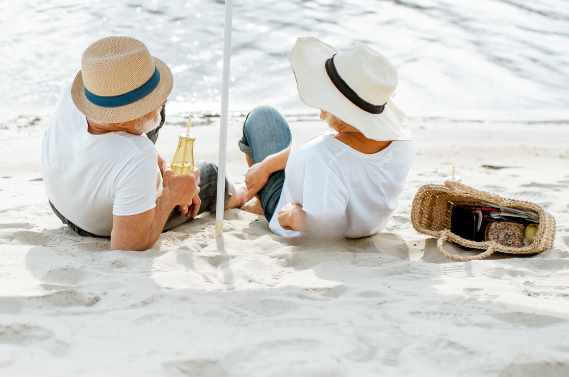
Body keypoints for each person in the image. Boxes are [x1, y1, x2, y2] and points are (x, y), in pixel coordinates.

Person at [43, 36, 245, 251]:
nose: (164, 99)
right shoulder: (138, 155)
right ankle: (243, 195)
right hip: (100, 225)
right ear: (121, 118)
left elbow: (127, 149)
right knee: (211, 176)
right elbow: (126, 246)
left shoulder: (81, 95)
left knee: (156, 116)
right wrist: (171, 196)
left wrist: (165, 168)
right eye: (147, 102)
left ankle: (141, 174)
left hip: (61, 204)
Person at [238, 38, 416, 238]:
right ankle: (254, 191)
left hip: (285, 202)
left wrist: (294, 217)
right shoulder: (404, 143)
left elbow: (324, 228)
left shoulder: (325, 158)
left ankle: (260, 201)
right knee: (280, 151)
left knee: (263, 115)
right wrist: (267, 166)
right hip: (366, 224)